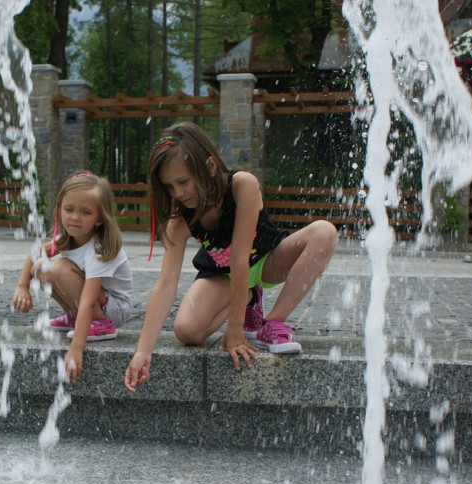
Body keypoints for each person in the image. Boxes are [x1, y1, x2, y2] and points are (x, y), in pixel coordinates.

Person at [124, 122, 337, 392]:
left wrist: (235, 330)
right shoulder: (180, 221)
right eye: (169, 187)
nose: (178, 193)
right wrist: (143, 351)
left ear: (210, 167)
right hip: (221, 275)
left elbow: (240, 259)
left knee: (324, 233)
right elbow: (166, 284)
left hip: (266, 260)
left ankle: (271, 322)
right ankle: (249, 297)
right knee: (187, 331)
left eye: (183, 182)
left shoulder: (242, 186)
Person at [13, 171, 133, 382]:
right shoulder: (68, 238)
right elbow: (36, 254)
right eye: (69, 209)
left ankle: (100, 324)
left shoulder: (98, 248)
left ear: (99, 218)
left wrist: (76, 349)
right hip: (93, 301)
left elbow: (88, 299)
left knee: (59, 268)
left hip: (113, 308)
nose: (75, 217)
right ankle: (74, 316)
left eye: (85, 212)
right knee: (42, 267)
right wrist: (22, 286)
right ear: (60, 209)